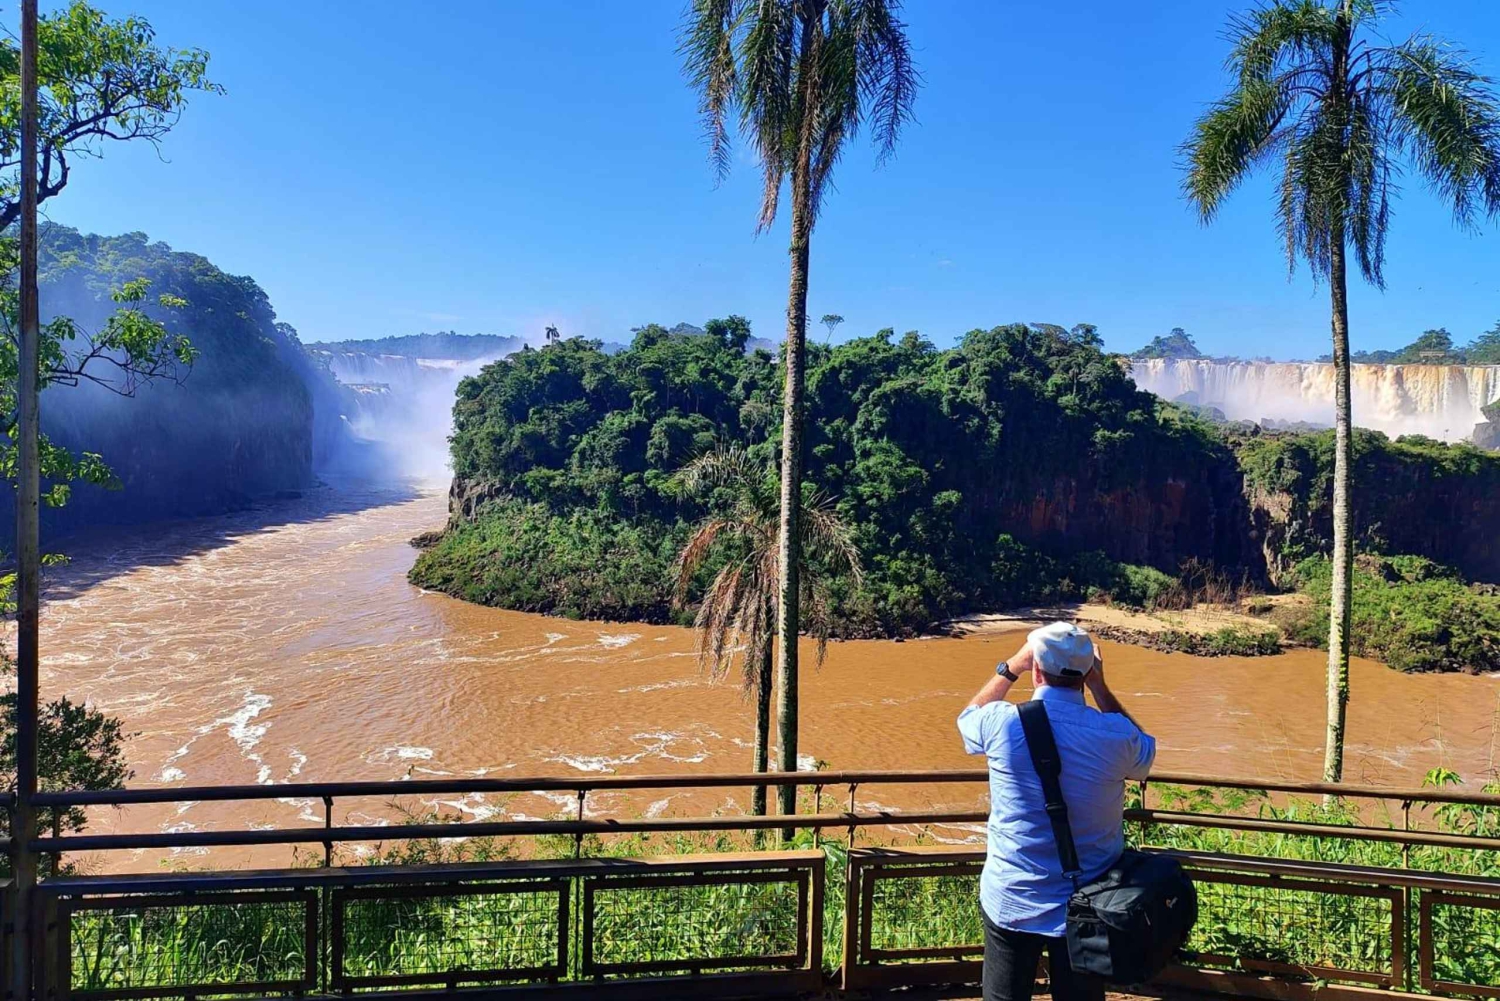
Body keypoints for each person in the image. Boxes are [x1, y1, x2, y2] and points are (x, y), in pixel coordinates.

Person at [957, 621, 1156, 1001]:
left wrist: (1009, 667)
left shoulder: (1002, 723)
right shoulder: (1115, 736)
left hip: (1013, 896)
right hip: (1090, 902)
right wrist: (1099, 685)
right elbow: (1144, 751)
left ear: (1035, 669)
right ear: (1086, 673)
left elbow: (966, 720)